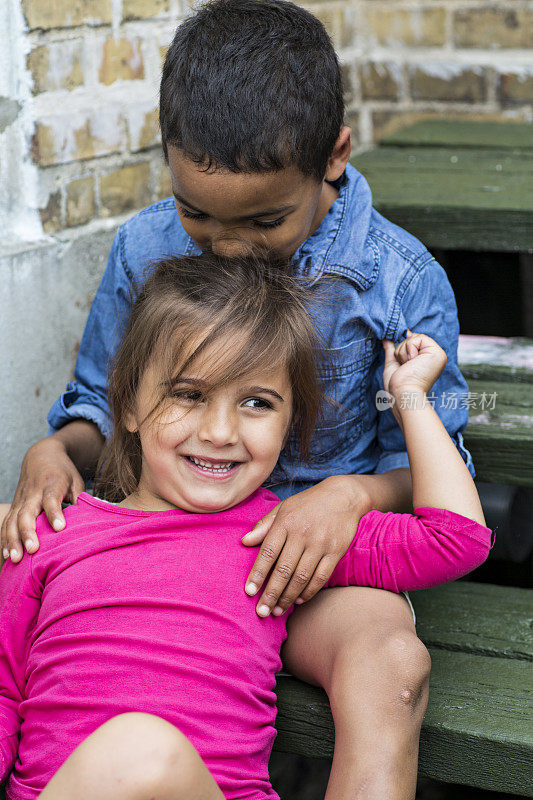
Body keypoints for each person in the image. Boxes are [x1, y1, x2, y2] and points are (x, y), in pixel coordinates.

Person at [1, 1, 476, 796]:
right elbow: (99, 398)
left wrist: (346, 495)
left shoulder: (398, 277)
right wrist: (55, 449)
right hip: (173, 537)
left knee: (390, 662)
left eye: (263, 220)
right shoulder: (144, 247)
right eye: (196, 213)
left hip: (327, 556)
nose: (226, 246)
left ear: (333, 157)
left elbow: (430, 476)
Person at [0, 254, 491, 800]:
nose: (219, 431)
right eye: (188, 395)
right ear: (129, 406)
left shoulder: (284, 536)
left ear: (290, 424)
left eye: (257, 403)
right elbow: (3, 691)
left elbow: (456, 540)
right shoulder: (51, 535)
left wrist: (411, 400)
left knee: (141, 750)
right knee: (134, 751)